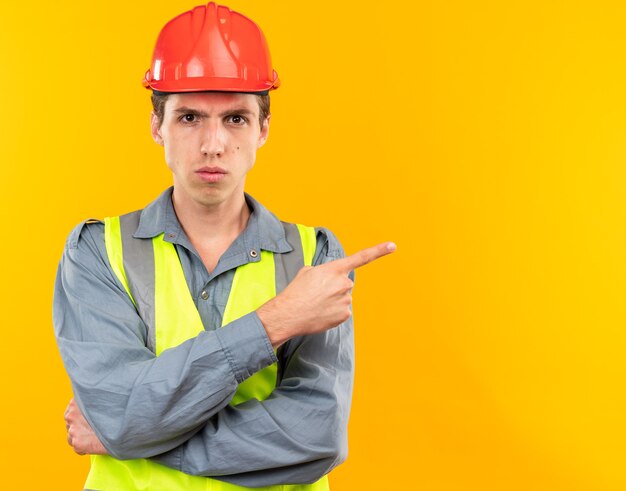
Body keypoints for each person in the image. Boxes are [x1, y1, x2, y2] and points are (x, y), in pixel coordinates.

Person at [54, 2, 395, 490]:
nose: (213, 143)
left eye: (235, 118)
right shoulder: (96, 252)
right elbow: (119, 410)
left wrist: (128, 436)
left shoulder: (313, 256)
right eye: (190, 116)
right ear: (157, 127)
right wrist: (275, 322)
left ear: (263, 130)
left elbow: (318, 436)